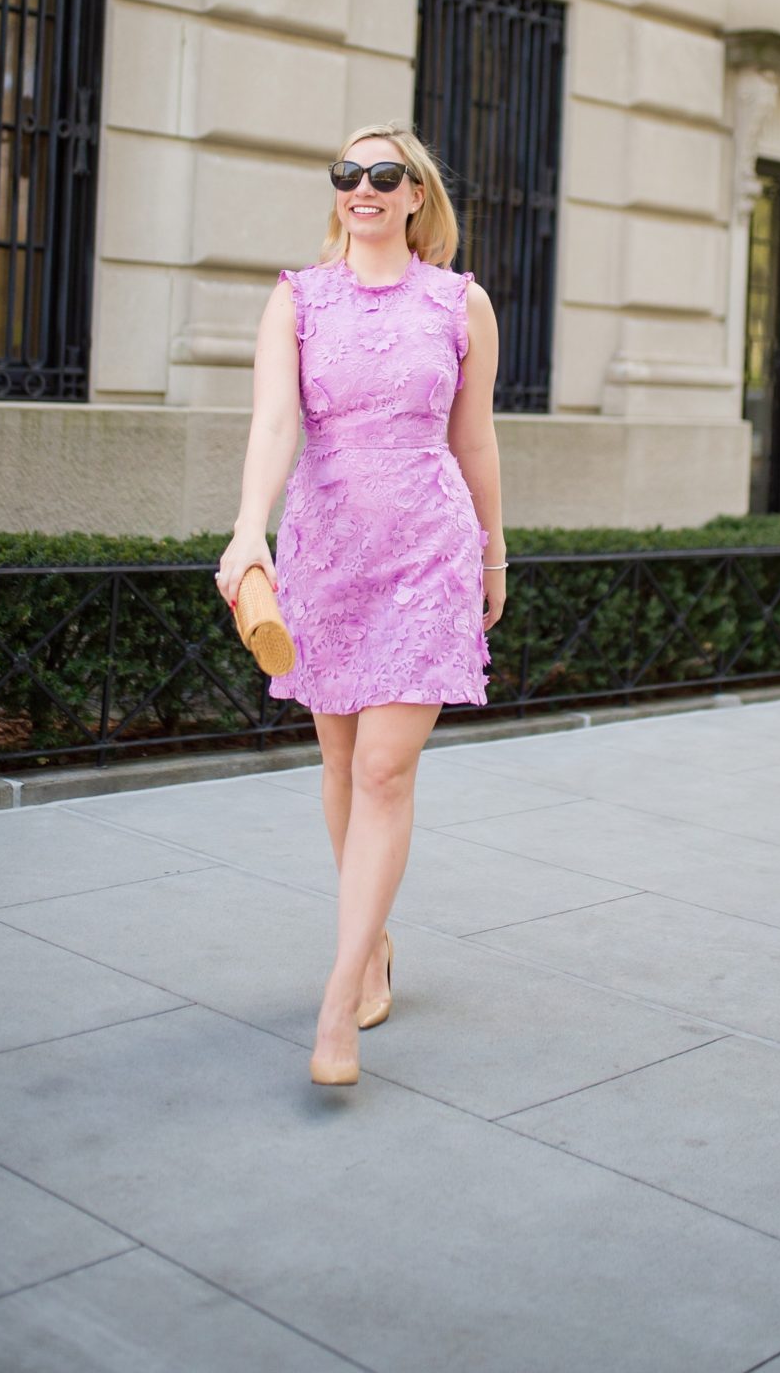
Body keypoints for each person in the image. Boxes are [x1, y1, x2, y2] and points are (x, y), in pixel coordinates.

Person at [215, 124, 507, 1088]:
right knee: (339, 762)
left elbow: (476, 443)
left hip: (430, 549)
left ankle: (337, 999)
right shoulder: (296, 299)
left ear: (417, 194)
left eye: (385, 174)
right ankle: (371, 943)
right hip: (326, 549)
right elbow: (272, 421)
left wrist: (494, 557)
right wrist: (247, 527)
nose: (364, 188)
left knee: (384, 769)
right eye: (349, 174)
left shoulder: (460, 304)